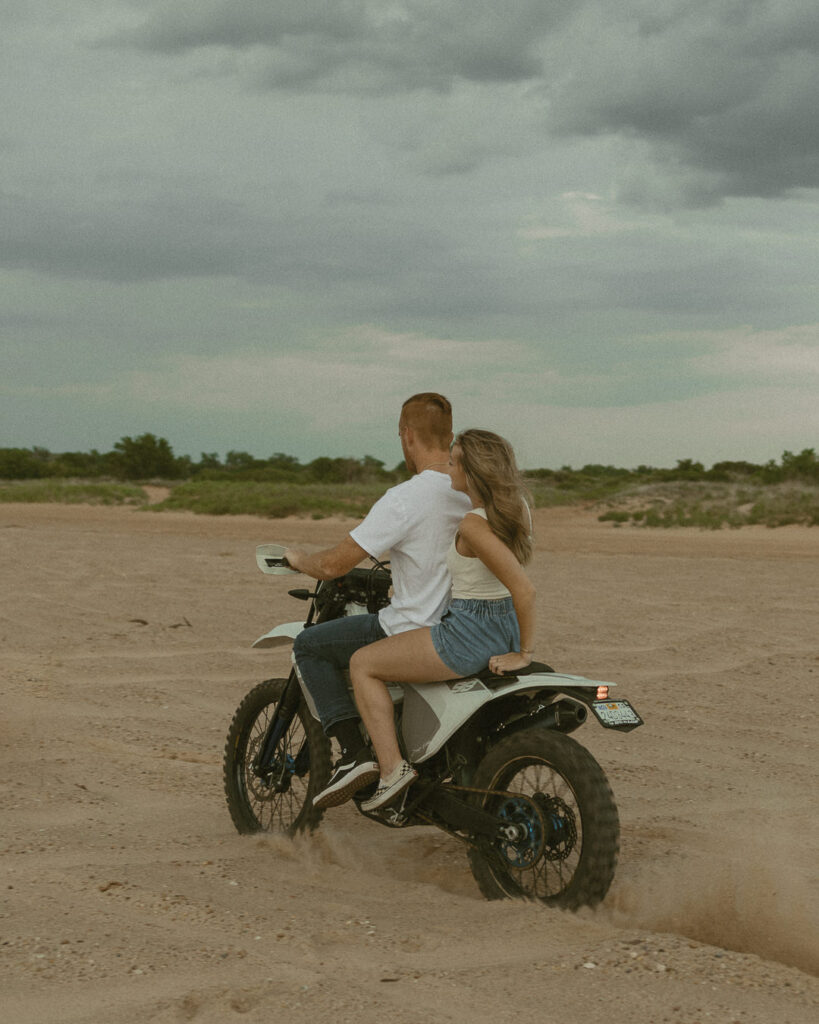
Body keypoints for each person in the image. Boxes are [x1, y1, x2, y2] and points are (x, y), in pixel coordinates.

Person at [284, 393, 471, 810]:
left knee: (309, 645)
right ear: (450, 436)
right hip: (469, 626)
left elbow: (334, 566)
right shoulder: (469, 491)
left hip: (414, 628)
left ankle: (355, 755)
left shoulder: (406, 497)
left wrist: (300, 560)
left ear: (406, 437)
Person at [348, 428, 535, 812]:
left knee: (362, 664)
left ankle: (392, 771)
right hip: (500, 628)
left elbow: (525, 590)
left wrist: (525, 653)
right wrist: (515, 643)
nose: (447, 470)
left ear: (472, 471)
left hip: (467, 635)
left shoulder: (473, 524)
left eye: (453, 462)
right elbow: (485, 580)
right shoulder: (517, 511)